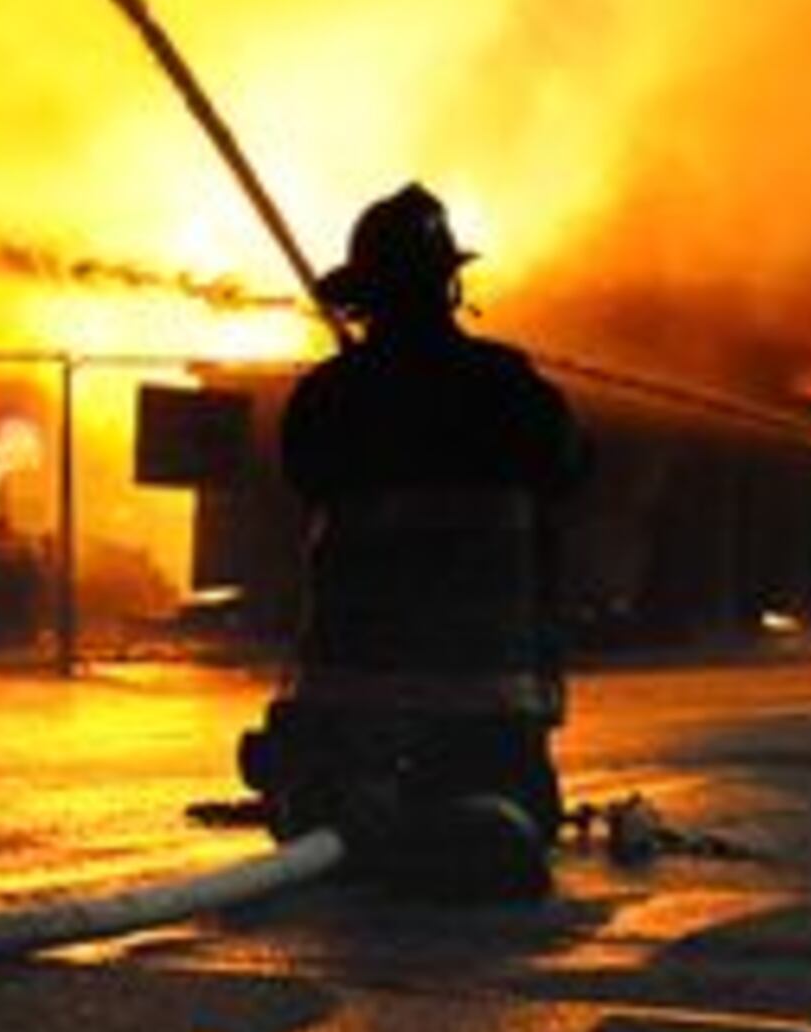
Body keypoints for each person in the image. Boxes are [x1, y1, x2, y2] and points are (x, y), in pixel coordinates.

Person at [239, 183, 590, 895]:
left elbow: (305, 477)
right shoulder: (509, 387)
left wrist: (371, 386)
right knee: (507, 825)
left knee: (329, 818)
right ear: (451, 285)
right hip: (488, 709)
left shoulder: (327, 398)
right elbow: (572, 468)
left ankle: (350, 815)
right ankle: (477, 823)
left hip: (349, 710)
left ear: (362, 298)